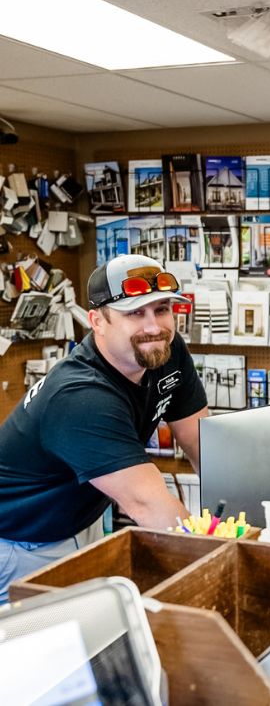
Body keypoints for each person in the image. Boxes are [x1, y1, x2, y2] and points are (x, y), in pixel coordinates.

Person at [0, 255, 208, 603]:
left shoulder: (164, 352)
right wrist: (236, 553)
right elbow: (150, 506)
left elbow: (203, 443)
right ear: (97, 321)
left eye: (161, 309)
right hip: (20, 544)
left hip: (79, 523)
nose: (154, 326)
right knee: (41, 653)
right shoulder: (80, 396)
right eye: (134, 313)